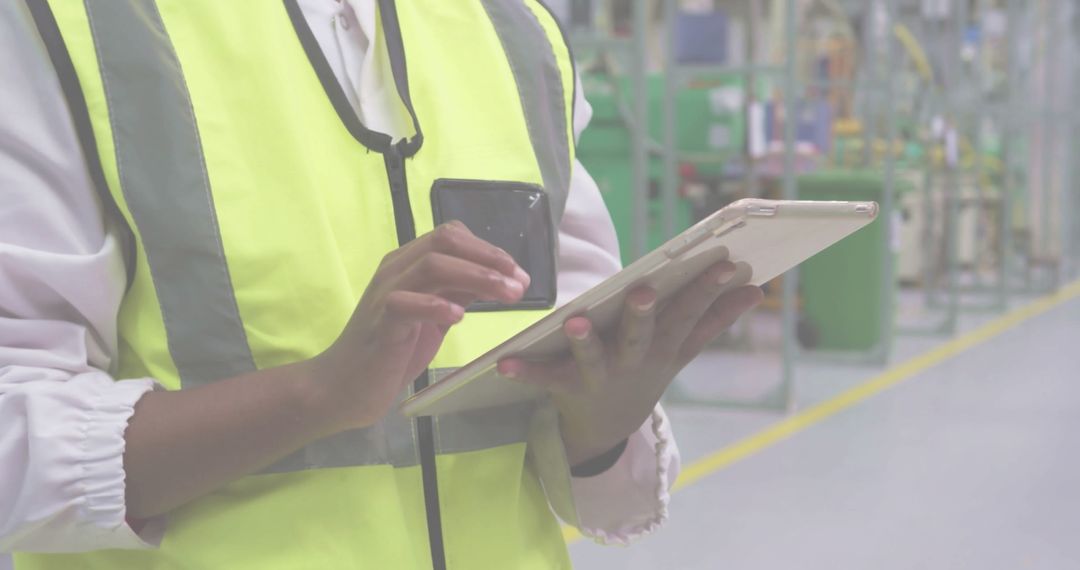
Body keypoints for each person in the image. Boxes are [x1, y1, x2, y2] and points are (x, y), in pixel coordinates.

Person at [0, 1, 763, 568]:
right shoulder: (77, 29)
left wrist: (603, 421)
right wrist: (316, 395)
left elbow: (571, 445)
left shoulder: (512, 34)